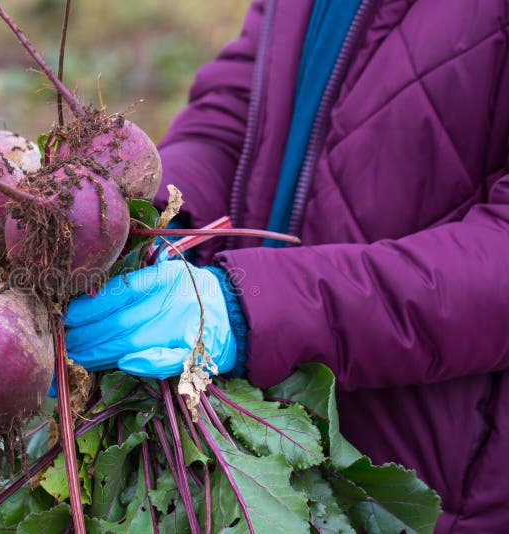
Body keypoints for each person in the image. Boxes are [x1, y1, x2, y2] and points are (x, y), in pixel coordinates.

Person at [63, 1, 509, 532]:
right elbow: (240, 111)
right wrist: (139, 226)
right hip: (268, 420)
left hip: (441, 476)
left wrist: (245, 308)